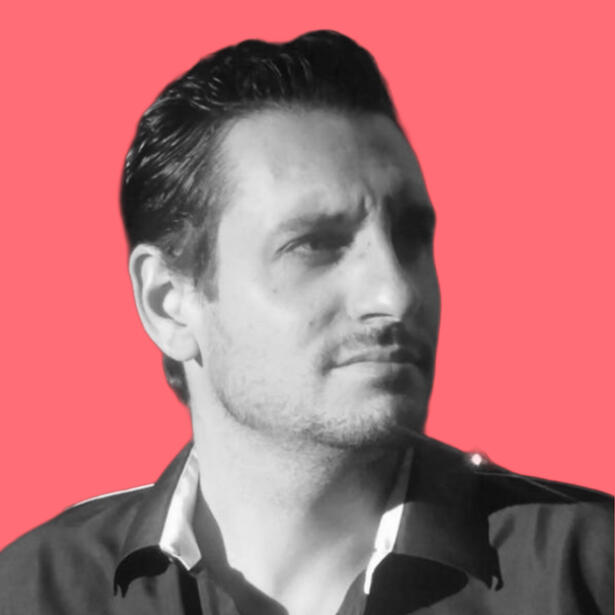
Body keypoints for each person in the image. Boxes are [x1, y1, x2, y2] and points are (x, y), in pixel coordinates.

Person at [0, 30, 612, 615]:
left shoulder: (584, 574)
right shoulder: (37, 592)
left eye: (410, 236)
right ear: (168, 302)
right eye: (315, 244)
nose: (396, 293)